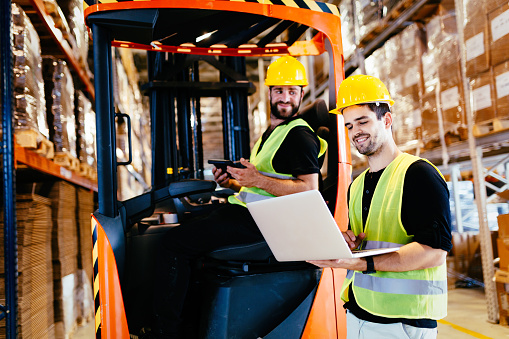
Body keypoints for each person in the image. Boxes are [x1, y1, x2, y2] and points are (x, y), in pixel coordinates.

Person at [150, 56, 327, 338]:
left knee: (172, 245)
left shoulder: (299, 135)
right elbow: (259, 188)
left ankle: (165, 333)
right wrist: (233, 182)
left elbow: (309, 190)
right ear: (269, 92)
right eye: (279, 90)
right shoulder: (271, 134)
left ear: (301, 94)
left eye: (292, 92)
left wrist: (255, 178)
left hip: (261, 224)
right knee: (184, 239)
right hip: (246, 212)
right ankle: (188, 326)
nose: (285, 98)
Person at [309, 74, 452, 339]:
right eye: (349, 126)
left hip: (404, 323)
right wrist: (347, 245)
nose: (356, 132)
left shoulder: (419, 175)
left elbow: (434, 252)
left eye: (363, 121)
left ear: (386, 120)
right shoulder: (357, 184)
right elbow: (367, 243)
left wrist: (362, 264)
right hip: (359, 312)